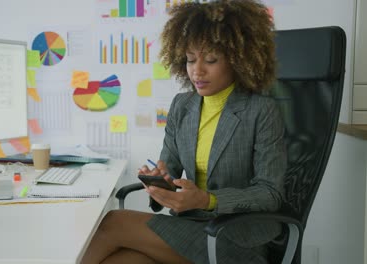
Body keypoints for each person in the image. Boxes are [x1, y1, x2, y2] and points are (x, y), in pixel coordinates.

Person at [81, 0, 287, 263]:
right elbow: (171, 167)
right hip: (192, 227)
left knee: (112, 223)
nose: (197, 71)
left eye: (210, 60)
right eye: (190, 59)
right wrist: (159, 183)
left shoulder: (261, 111)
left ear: (238, 60)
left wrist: (207, 200)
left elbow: (270, 193)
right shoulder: (183, 105)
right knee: (121, 260)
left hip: (237, 239)